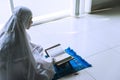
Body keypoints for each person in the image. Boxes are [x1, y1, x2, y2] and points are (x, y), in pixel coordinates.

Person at [0, 6, 55, 80]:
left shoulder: (10, 32)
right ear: (24, 21)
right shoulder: (18, 41)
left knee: (37, 48)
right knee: (46, 70)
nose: (31, 22)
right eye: (30, 19)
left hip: (4, 68)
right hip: (13, 69)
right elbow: (30, 64)